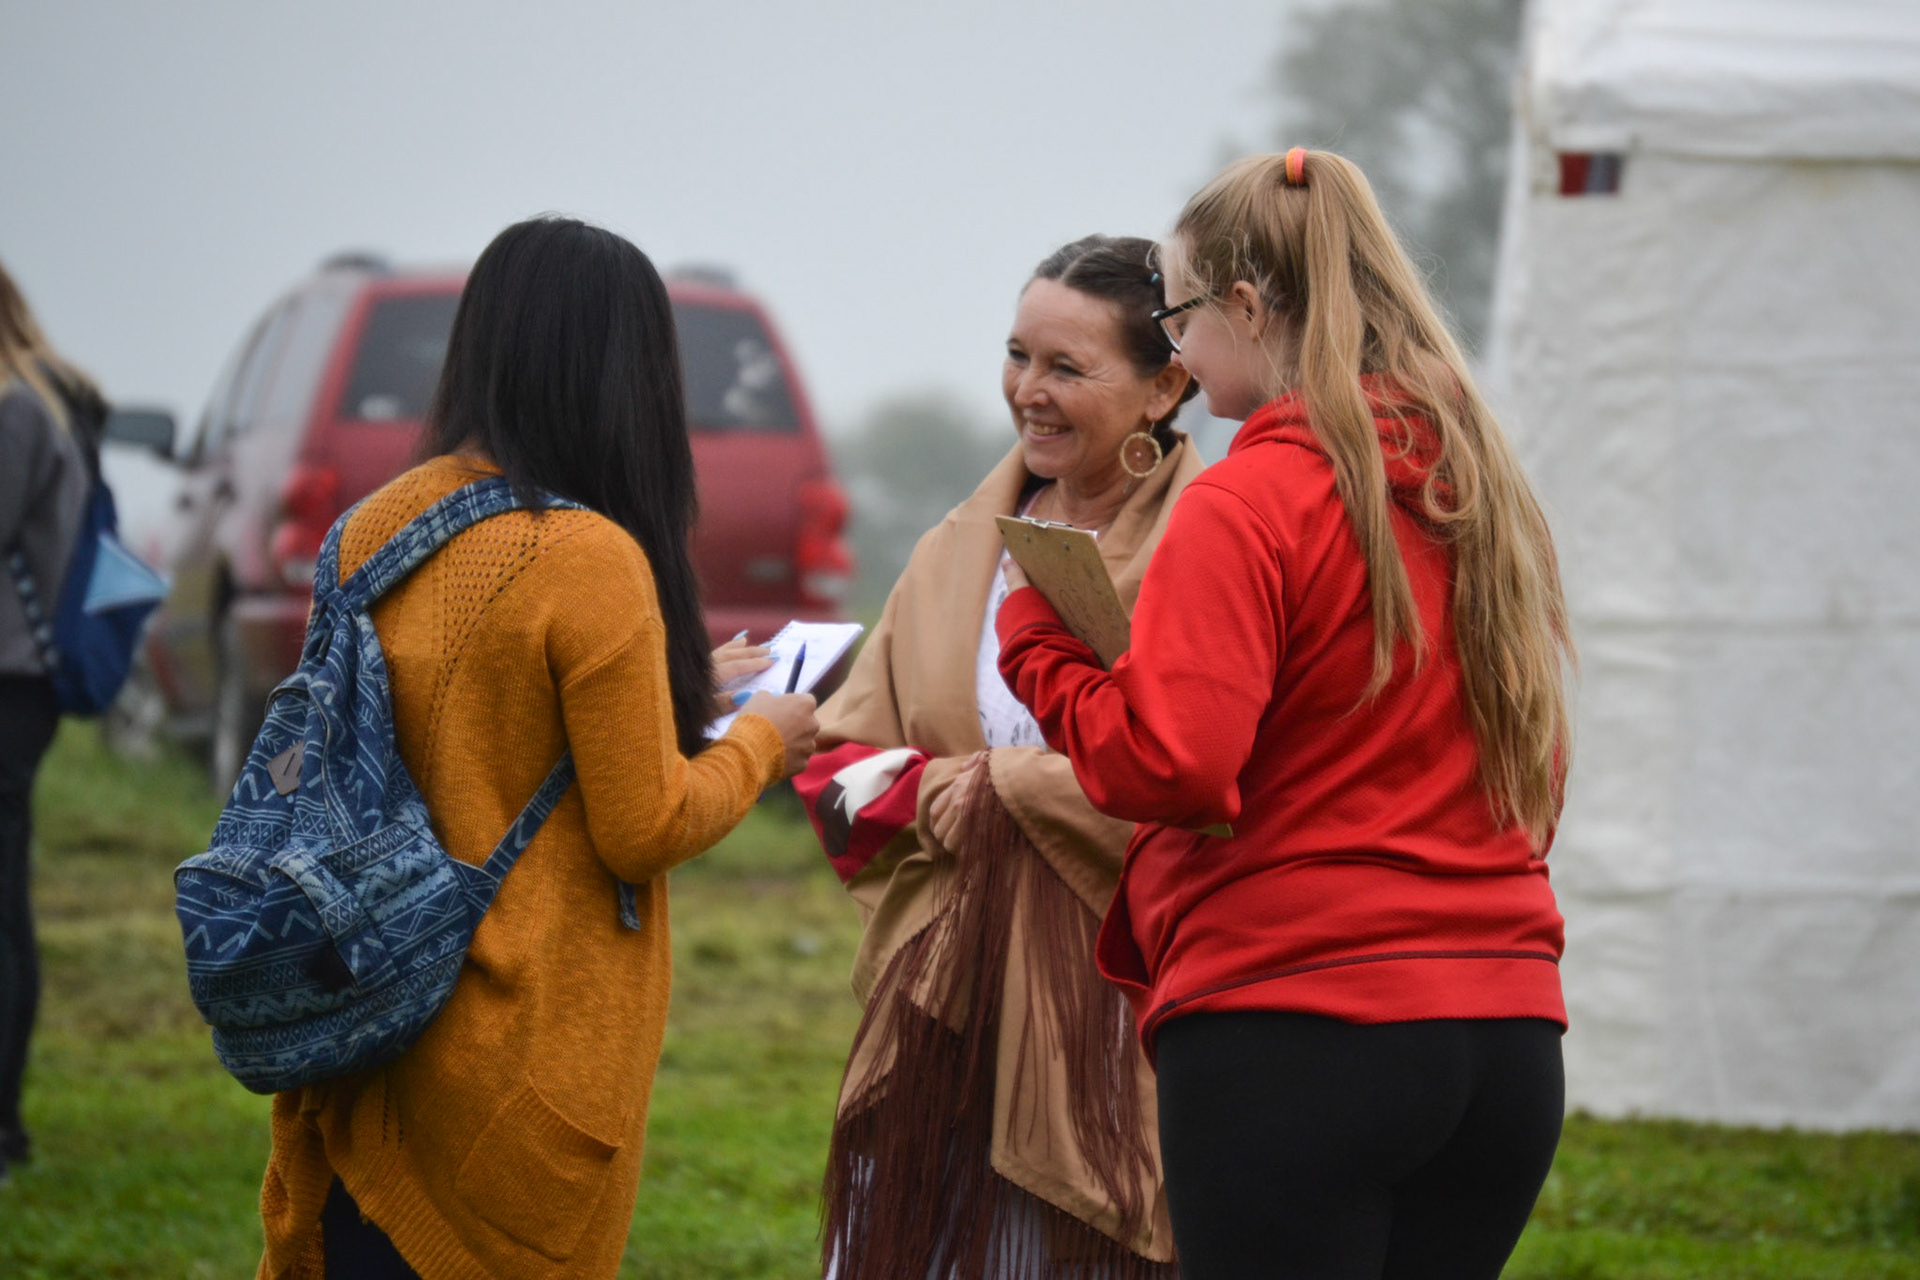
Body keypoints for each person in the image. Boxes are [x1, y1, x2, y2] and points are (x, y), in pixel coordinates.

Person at [996, 150, 1575, 1280]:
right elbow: (1534, 766)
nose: (1175, 348)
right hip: (1507, 1032)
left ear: (1249, 308)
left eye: (1178, 316)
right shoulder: (1483, 486)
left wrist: (1038, 644)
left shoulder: (1249, 495)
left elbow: (1174, 767)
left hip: (1297, 1024)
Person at [254, 217, 819, 1280]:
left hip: (364, 1020)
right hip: (502, 1071)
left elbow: (465, 717)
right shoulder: (586, 556)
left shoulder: (377, 522)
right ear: (625, 373)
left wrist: (685, 690)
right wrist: (759, 741)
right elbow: (643, 825)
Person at [794, 235, 1201, 1279]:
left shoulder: (1217, 551)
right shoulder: (952, 550)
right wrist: (946, 804)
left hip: (1117, 1024)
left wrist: (984, 788)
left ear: (1167, 385)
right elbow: (840, 768)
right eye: (1018, 354)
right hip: (938, 1015)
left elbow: (1204, 787)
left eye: (1068, 367)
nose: (1029, 390)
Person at [0, 259, 109, 1186]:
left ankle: (2, 1126)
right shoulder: (45, 405)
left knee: (0, 907)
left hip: (6, 681)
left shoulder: (16, 414)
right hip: (20, 684)